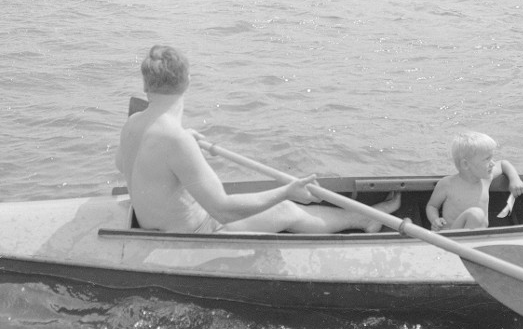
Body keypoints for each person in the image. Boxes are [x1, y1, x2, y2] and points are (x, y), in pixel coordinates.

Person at [116, 45, 400, 234]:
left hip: (153, 224)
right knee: (286, 209)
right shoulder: (176, 141)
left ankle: (361, 219)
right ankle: (365, 219)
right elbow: (224, 212)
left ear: (145, 85)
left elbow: (125, 164)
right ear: (188, 82)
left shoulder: (134, 124)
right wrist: (285, 191)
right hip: (195, 232)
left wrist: (183, 143)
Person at [425, 131, 523, 231]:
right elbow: (432, 206)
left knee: (477, 215)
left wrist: (515, 179)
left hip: (478, 236)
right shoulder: (447, 184)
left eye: (492, 158)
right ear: (465, 164)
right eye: (487, 159)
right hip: (452, 236)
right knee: (476, 214)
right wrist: (435, 219)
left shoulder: (486, 178)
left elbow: (503, 164)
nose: (493, 163)